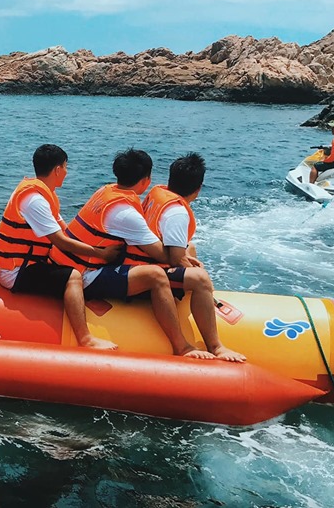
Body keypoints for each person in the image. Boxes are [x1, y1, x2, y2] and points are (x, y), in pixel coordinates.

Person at [51, 149, 245, 361]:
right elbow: (167, 257)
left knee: (188, 252)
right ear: (146, 180)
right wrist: (183, 259)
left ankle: (192, 307)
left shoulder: (107, 191)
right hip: (85, 275)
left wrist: (183, 255)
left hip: (76, 263)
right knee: (164, 275)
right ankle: (186, 346)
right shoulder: (127, 214)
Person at [0, 144, 122, 349]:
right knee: (73, 277)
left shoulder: (44, 195)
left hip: (31, 262)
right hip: (16, 272)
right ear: (58, 169)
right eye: (66, 167)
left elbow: (66, 231)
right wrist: (101, 253)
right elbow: (60, 241)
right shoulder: (34, 200)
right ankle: (86, 339)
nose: (67, 172)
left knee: (75, 264)